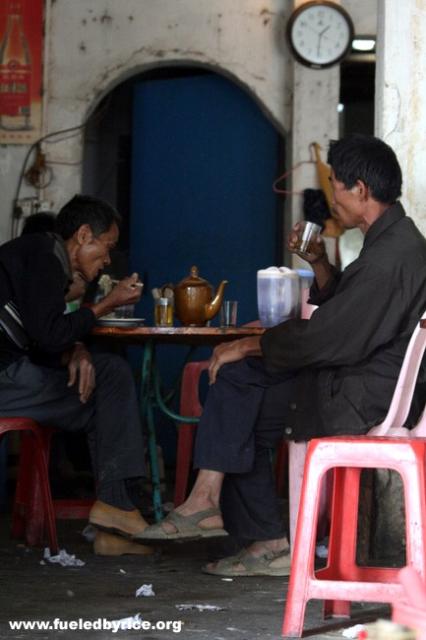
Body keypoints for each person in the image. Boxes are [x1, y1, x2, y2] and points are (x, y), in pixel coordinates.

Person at [134, 133, 426, 576]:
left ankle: (242, 523)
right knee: (241, 383)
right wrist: (321, 264)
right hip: (358, 380)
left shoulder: (391, 257)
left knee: (240, 385)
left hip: (361, 395)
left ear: (360, 190)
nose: (334, 197)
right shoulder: (392, 243)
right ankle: (225, 512)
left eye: (337, 186)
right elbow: (347, 313)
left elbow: (328, 338)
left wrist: (249, 343)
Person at [0, 194, 150, 556]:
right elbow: (49, 335)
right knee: (109, 385)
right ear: (84, 235)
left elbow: (43, 335)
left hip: (12, 373)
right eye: (106, 247)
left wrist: (77, 348)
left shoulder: (37, 254)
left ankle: (115, 519)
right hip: (5, 378)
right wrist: (105, 304)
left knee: (105, 382)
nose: (107, 259)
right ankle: (117, 512)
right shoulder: (45, 258)